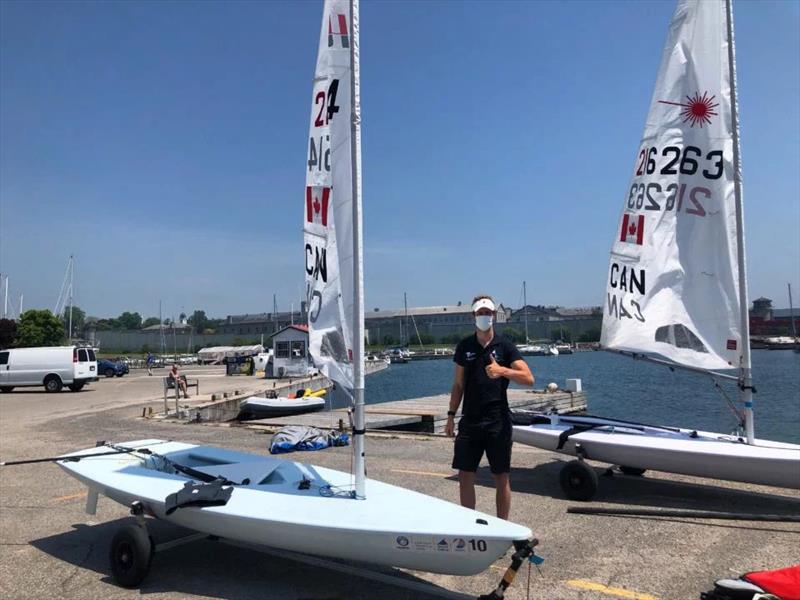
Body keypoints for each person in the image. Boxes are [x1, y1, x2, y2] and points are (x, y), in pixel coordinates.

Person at [445, 294, 534, 519]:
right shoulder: (465, 346)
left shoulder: (505, 346)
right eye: (480, 313)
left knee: (500, 476)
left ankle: (502, 526)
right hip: (470, 419)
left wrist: (502, 371)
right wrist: (450, 415)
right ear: (473, 316)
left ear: (494, 315)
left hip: (498, 421)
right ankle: (469, 524)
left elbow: (528, 378)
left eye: (487, 313)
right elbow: (457, 385)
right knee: (465, 474)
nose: (484, 316)